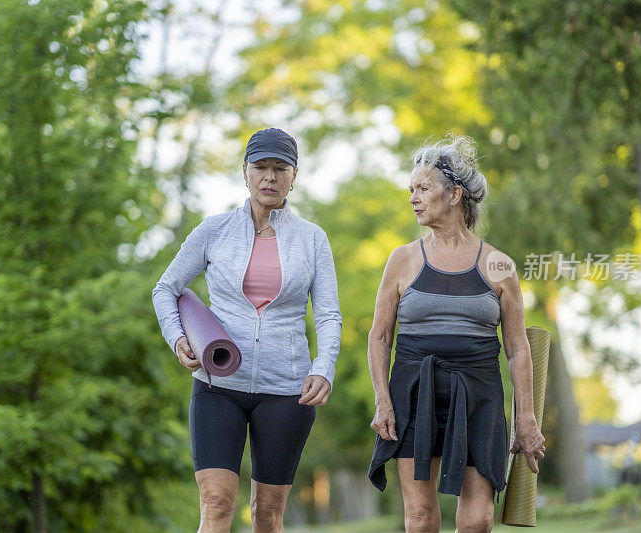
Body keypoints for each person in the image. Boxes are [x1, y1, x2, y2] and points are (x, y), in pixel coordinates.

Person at [152, 128, 342, 533]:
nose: (269, 178)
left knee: (267, 513)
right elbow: (166, 289)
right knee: (217, 503)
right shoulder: (213, 230)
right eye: (260, 168)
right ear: (245, 172)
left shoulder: (312, 239)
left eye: (279, 169)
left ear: (294, 176)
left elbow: (327, 314)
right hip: (218, 383)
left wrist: (323, 367)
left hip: (287, 389)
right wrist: (177, 337)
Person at [366, 134, 545, 533]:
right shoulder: (402, 259)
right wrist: (383, 401)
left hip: (479, 395)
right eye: (410, 189)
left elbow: (516, 349)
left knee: (478, 521)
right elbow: (379, 337)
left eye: (423, 188)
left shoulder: (499, 264)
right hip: (413, 393)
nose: (413, 197)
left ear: (454, 195)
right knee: (420, 517)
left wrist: (526, 420)